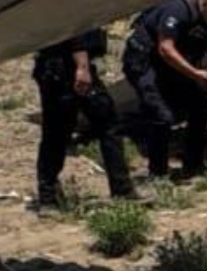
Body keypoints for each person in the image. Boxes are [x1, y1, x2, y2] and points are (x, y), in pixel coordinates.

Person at [122, 0, 207, 179]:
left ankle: (193, 164)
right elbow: (166, 49)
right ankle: (157, 173)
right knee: (162, 116)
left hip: (172, 67)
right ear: (206, 3)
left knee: (200, 110)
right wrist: (195, 74)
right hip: (146, 65)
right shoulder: (177, 11)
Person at [32, 28, 134, 208]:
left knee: (58, 133)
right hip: (66, 69)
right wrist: (82, 66)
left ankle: (48, 198)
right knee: (61, 133)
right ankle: (122, 190)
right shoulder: (69, 1)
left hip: (58, 68)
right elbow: (74, 28)